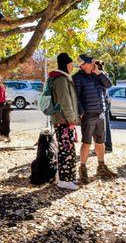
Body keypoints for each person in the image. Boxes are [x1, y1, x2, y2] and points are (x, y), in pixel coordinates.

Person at [73, 54, 117, 184]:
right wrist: (81, 113)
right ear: (84, 65)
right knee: (86, 142)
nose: (93, 63)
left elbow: (109, 85)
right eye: (90, 62)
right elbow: (76, 97)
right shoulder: (77, 78)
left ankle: (101, 167)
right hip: (88, 115)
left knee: (100, 142)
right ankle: (83, 169)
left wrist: (99, 72)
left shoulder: (97, 75)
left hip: (101, 114)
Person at [48, 53, 79, 190]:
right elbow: (65, 102)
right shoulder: (61, 80)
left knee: (68, 149)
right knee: (66, 150)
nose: (72, 67)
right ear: (66, 64)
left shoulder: (63, 78)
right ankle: (64, 180)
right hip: (64, 121)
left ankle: (69, 178)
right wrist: (71, 120)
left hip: (64, 120)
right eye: (71, 64)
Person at [96, 60, 113, 152]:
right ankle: (107, 145)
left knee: (104, 125)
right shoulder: (104, 74)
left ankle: (107, 146)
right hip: (105, 102)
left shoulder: (101, 75)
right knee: (105, 124)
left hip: (104, 103)